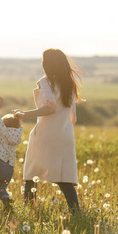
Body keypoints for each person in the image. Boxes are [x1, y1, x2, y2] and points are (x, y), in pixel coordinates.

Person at [13, 48, 84, 213]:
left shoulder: (45, 82)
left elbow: (50, 107)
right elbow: (73, 118)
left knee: (32, 174)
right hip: (65, 134)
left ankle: (29, 210)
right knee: (63, 177)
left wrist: (24, 114)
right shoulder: (70, 84)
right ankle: (76, 211)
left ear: (46, 65)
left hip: (46, 133)